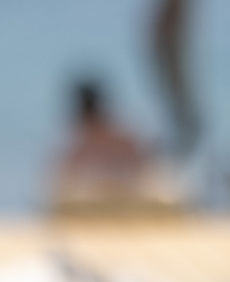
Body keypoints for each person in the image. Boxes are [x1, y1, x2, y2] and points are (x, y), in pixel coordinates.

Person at [51, 77, 163, 212]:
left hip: (119, 200)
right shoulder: (123, 135)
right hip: (124, 199)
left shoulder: (82, 144)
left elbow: (62, 183)